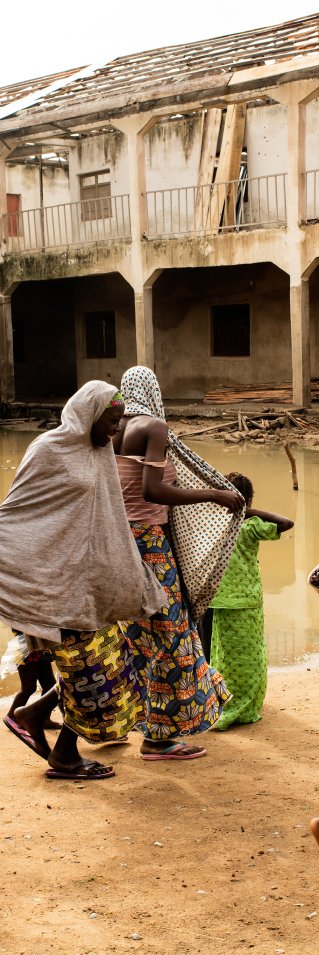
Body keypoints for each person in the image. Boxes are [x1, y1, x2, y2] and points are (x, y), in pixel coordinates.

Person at [0, 381, 165, 780]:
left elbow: (107, 514)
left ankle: (36, 716)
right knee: (90, 676)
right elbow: (21, 512)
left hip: (90, 586)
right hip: (57, 587)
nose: (116, 429)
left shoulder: (101, 451)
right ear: (89, 414)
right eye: (110, 421)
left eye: (119, 420)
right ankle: (63, 754)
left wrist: (125, 572)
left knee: (112, 668)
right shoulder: (48, 449)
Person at [113, 365, 244, 761]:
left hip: (121, 544)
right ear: (153, 390)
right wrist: (213, 495)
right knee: (172, 637)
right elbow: (153, 490)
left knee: (139, 638)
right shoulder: (153, 427)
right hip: (150, 546)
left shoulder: (113, 427)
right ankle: (159, 738)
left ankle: (145, 725)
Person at [210, 472, 294, 730]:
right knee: (249, 655)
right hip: (245, 600)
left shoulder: (211, 525)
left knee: (222, 655)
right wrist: (248, 509)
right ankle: (243, 704)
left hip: (217, 600)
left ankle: (224, 699)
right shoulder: (249, 526)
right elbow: (286, 523)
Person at [1, 632, 60, 734]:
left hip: (41, 650)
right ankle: (11, 717)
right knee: (28, 687)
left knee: (50, 686)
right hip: (26, 649)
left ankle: (44, 720)